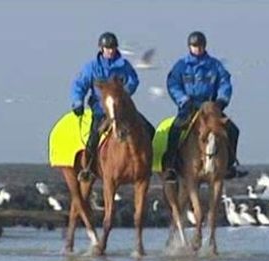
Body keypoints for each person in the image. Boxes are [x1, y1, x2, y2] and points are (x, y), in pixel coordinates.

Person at [163, 31, 247, 182]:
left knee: (233, 129)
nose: (197, 49)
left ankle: (229, 165)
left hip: (211, 107)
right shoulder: (181, 66)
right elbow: (173, 84)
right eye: (194, 46)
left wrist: (222, 100)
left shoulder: (215, 65)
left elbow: (224, 82)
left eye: (200, 46)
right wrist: (183, 99)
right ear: (189, 47)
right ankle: (170, 166)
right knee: (175, 128)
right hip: (189, 105)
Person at [70, 32, 155, 182]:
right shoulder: (92, 67)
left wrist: (123, 95)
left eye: (113, 48)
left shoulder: (124, 65)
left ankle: (147, 165)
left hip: (124, 111)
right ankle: (88, 169)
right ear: (101, 48)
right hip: (101, 110)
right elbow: (79, 85)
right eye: (107, 48)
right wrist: (77, 101)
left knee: (149, 129)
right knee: (93, 139)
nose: (110, 51)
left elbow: (133, 80)